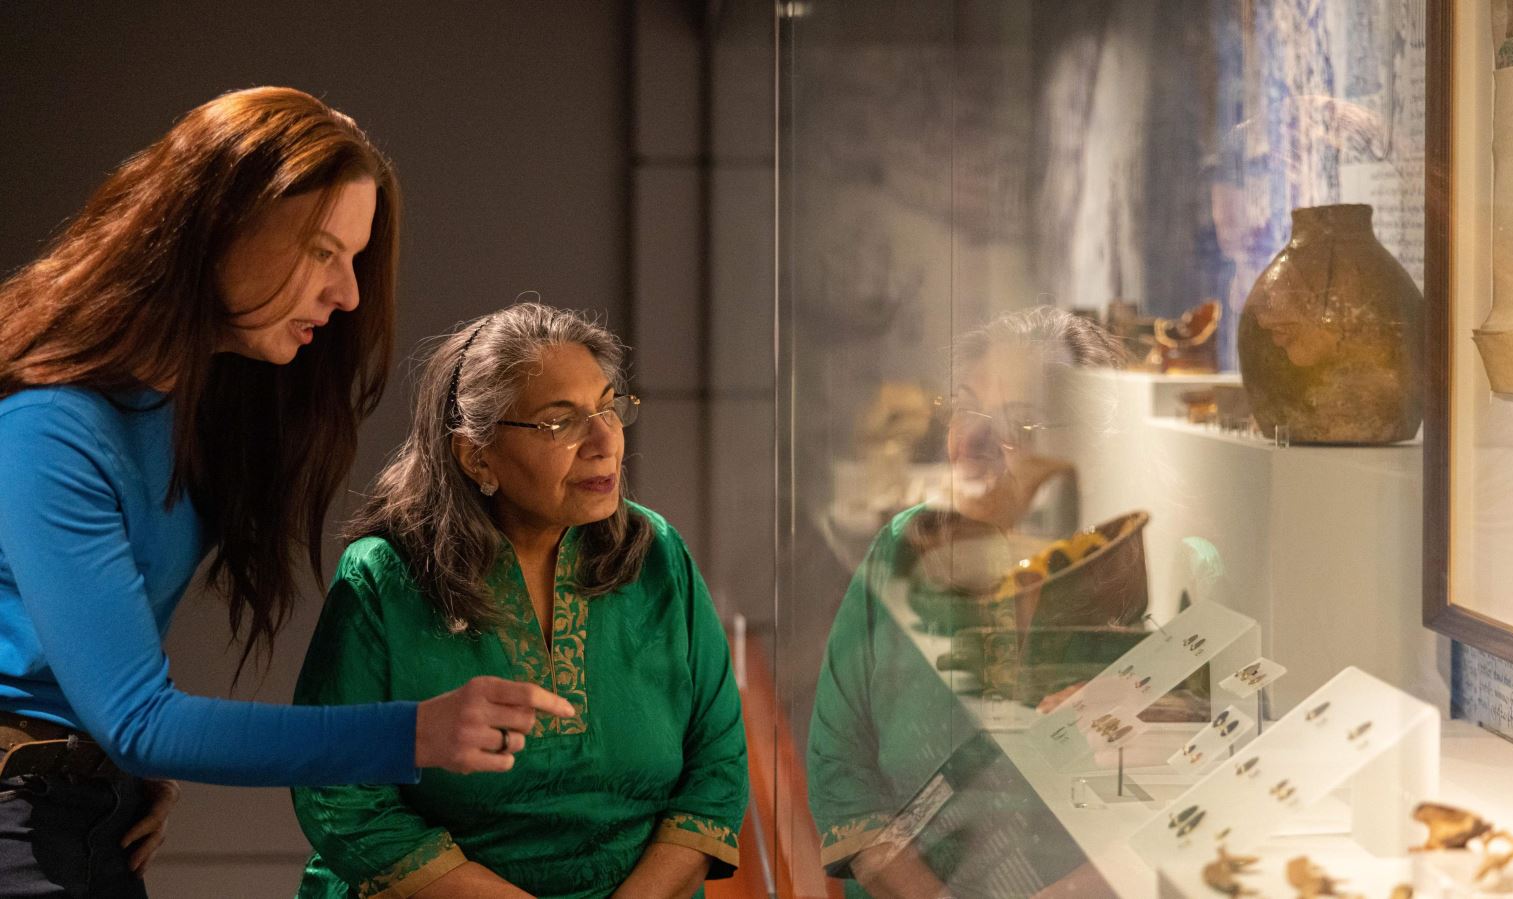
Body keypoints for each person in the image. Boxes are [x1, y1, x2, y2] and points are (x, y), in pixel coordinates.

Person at [0, 87, 570, 895]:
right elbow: (140, 718)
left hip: (83, 812)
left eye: (355, 259)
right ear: (225, 220)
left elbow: (118, 709)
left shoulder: (183, 408)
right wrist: (417, 730)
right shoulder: (51, 427)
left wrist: (116, 771)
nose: (349, 296)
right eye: (323, 252)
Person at [292, 303, 748, 899]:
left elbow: (716, 769)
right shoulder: (385, 577)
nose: (604, 441)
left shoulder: (656, 554)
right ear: (477, 455)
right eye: (560, 423)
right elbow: (341, 796)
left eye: (609, 407)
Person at [806, 307, 1126, 898]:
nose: (974, 439)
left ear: (1083, 439)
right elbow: (839, 760)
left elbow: (1197, 793)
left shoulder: (1132, 570)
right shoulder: (904, 548)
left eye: (1020, 422)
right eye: (966, 405)